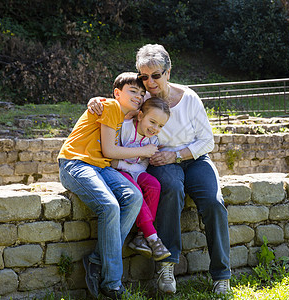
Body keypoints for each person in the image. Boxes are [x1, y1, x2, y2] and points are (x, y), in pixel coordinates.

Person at [88, 44, 231, 295]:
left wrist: (176, 154)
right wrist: (94, 102)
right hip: (157, 159)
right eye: (144, 76)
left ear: (168, 72)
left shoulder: (189, 98)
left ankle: (222, 274)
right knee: (171, 189)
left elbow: (207, 141)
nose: (150, 82)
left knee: (214, 201)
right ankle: (167, 266)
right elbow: (115, 102)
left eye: (155, 75)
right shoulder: (141, 100)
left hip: (192, 157)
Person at [58, 72, 159, 300]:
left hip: (102, 167)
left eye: (142, 94)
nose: (138, 96)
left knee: (134, 197)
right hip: (76, 163)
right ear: (117, 93)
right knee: (109, 206)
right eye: (133, 91)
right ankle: (112, 284)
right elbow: (110, 151)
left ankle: (96, 260)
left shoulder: (124, 113)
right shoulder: (111, 106)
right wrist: (144, 151)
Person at [112, 97, 171, 261]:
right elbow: (112, 157)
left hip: (137, 171)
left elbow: (143, 164)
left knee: (154, 185)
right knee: (135, 191)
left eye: (160, 126)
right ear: (140, 116)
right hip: (120, 172)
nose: (155, 128)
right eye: (152, 122)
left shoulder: (153, 139)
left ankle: (140, 236)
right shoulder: (125, 128)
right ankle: (152, 238)